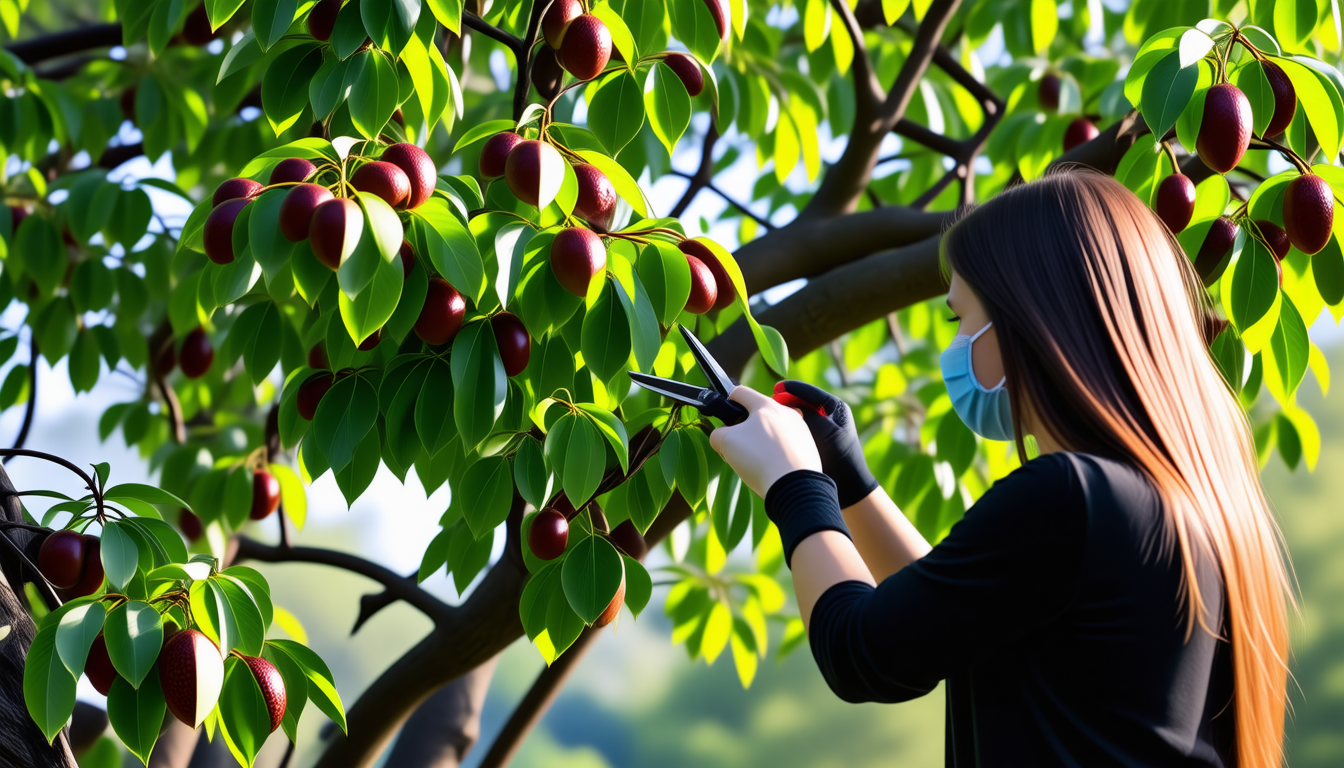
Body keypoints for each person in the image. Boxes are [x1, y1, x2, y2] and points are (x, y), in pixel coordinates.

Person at [707, 168, 1293, 767]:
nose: (957, 344)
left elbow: (863, 653)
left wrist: (794, 484)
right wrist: (847, 477)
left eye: (960, 319)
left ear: (1025, 319)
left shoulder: (1069, 497)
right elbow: (940, 618)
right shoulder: (1175, 500)